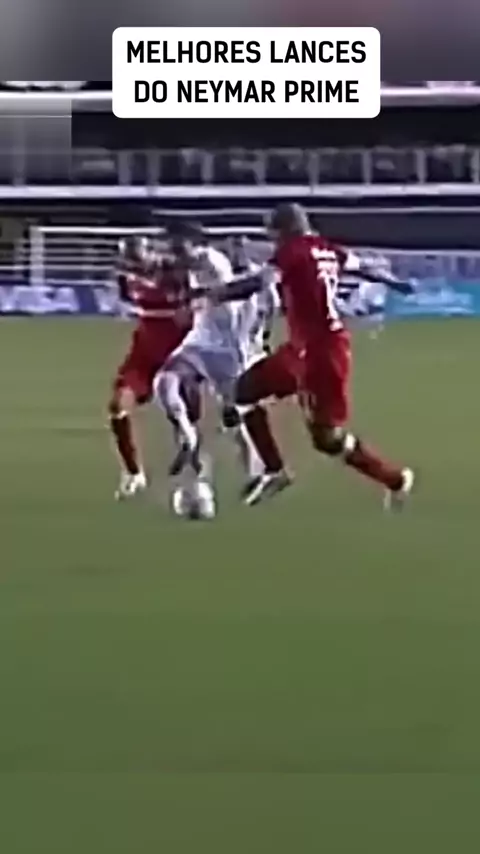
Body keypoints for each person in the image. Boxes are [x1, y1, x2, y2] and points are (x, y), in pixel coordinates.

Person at [216, 204, 415, 509]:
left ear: (284, 230)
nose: (273, 240)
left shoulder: (292, 252)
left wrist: (215, 294)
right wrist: (394, 282)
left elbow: (259, 282)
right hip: (304, 348)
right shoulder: (327, 249)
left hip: (321, 354)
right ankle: (275, 470)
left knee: (327, 439)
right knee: (244, 390)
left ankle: (395, 479)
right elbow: (363, 266)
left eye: (273, 233)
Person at [153, 223, 273, 494]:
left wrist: (190, 298)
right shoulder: (191, 264)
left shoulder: (211, 261)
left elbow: (221, 291)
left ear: (194, 242)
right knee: (165, 379)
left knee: (233, 415)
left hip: (225, 349)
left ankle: (255, 472)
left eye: (177, 244)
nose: (173, 250)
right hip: (200, 340)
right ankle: (188, 435)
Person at [108, 236, 196, 499]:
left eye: (136, 257)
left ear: (149, 253)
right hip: (143, 358)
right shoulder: (126, 277)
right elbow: (128, 297)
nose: (131, 263)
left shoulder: (174, 272)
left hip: (178, 356)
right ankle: (134, 474)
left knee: (186, 417)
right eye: (128, 258)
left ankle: (194, 476)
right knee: (117, 407)